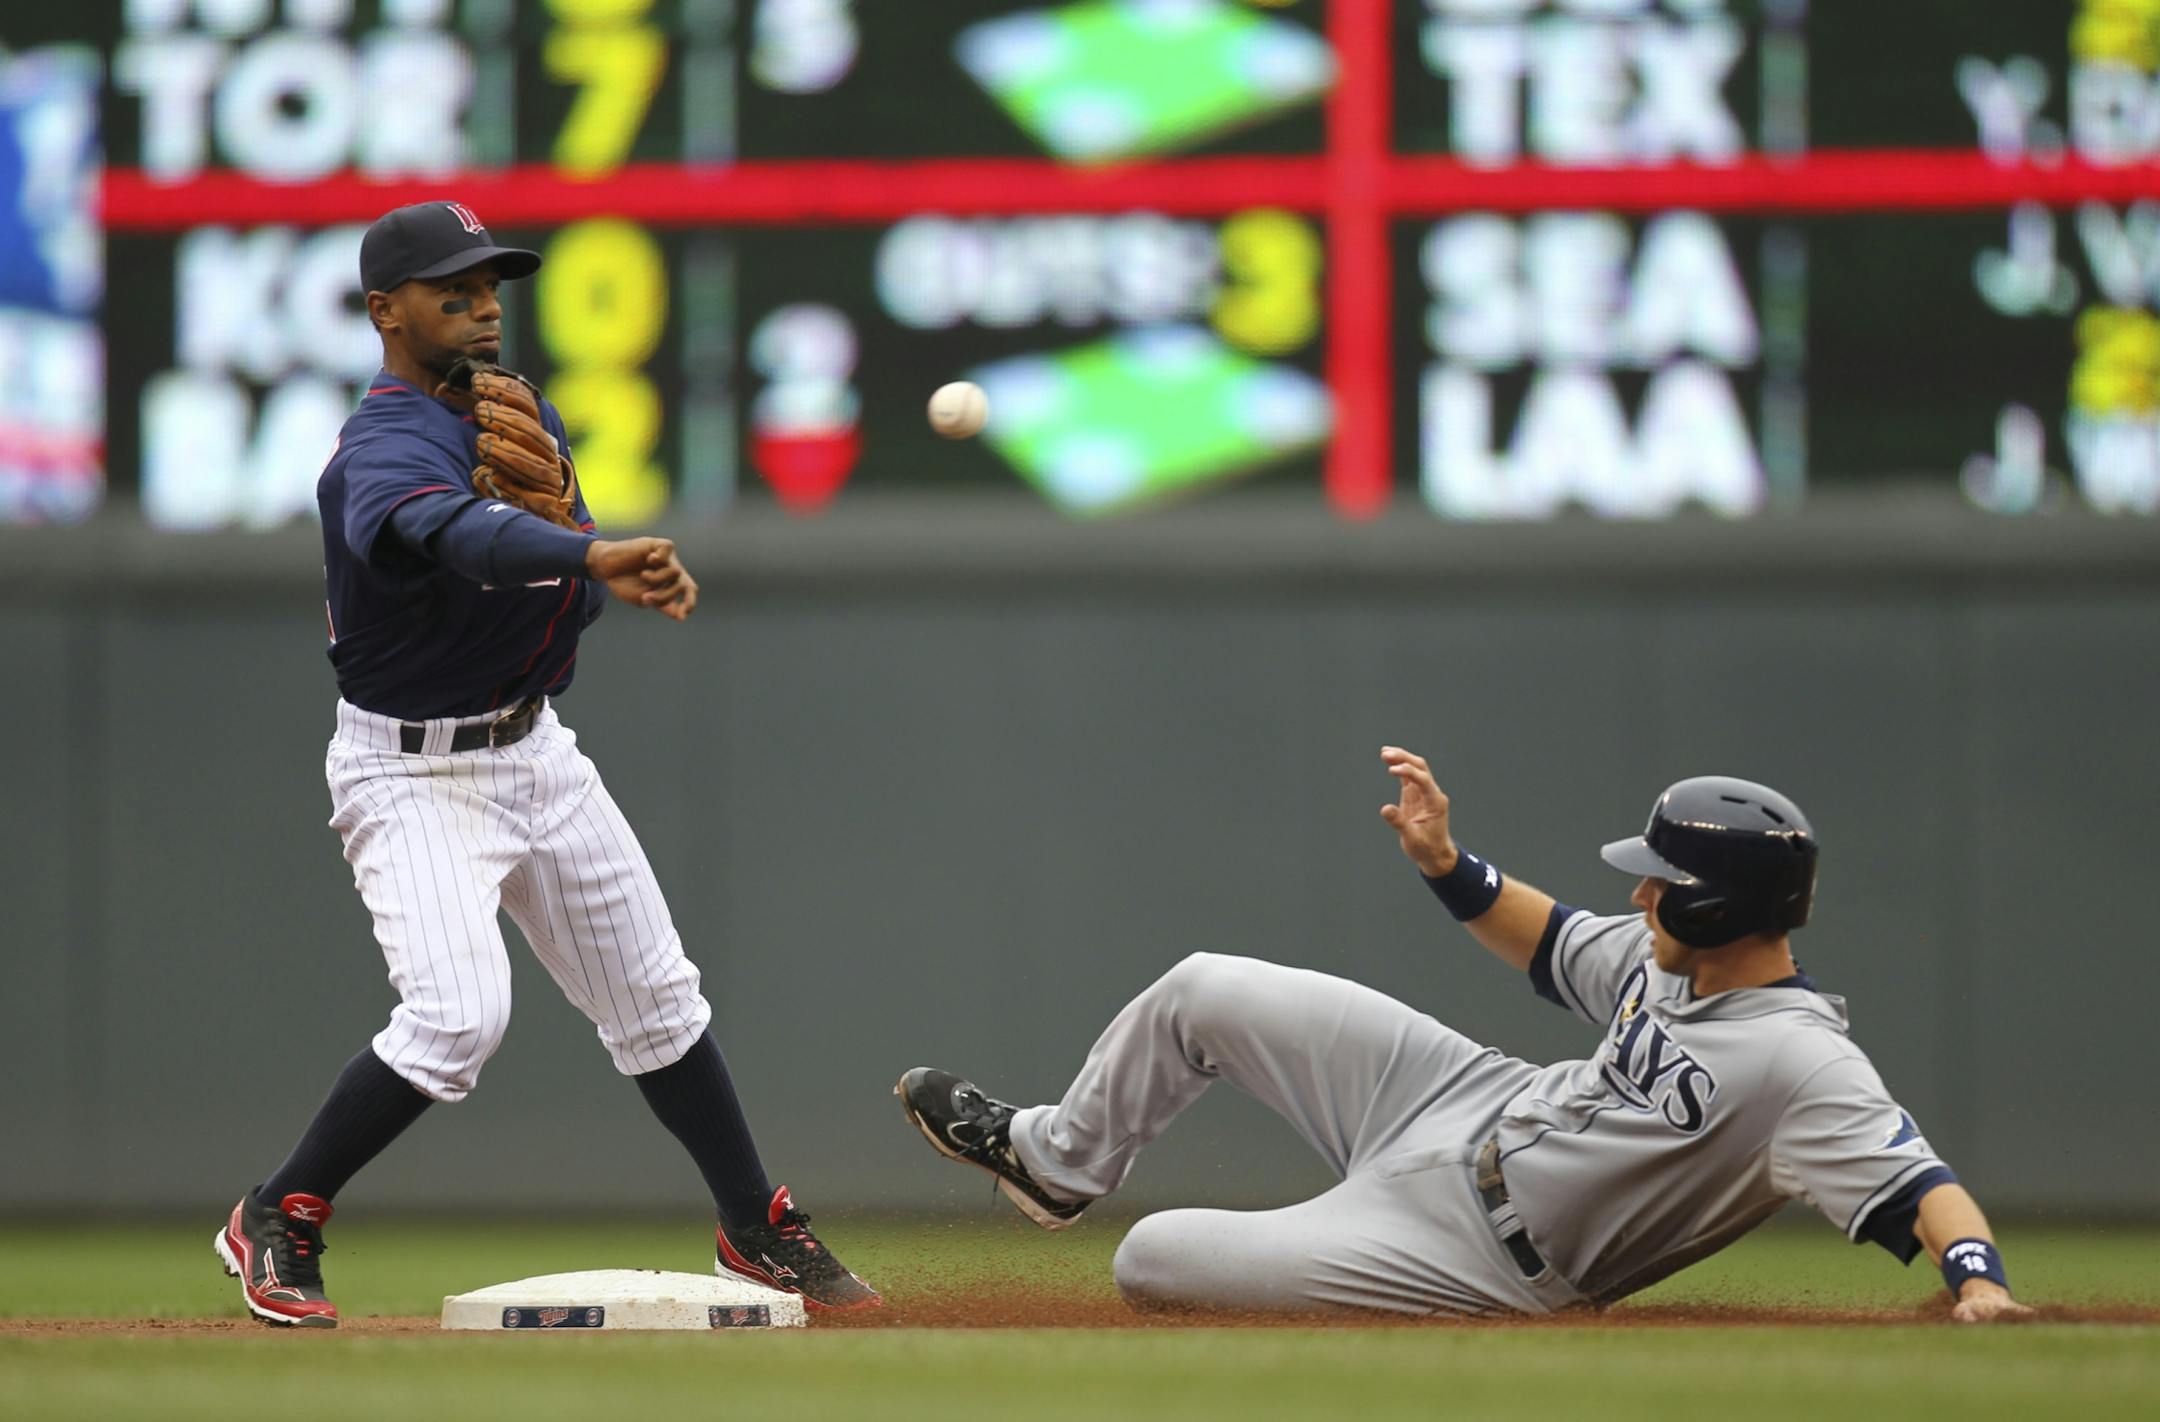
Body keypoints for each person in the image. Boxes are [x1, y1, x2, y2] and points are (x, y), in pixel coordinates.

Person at [214, 201, 877, 1327]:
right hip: (411, 775)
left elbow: (545, 587)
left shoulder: (516, 412)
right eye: (450, 292)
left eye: (489, 289)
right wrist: (590, 549)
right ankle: (278, 1212)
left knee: (658, 1002)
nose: (481, 309)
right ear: (386, 311)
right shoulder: (382, 445)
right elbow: (449, 533)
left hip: (534, 750)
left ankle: (755, 1230)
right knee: (458, 1019)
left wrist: (595, 570)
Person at [897, 745, 2034, 1322]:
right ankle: (1053, 1161)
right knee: (1207, 987)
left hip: (1477, 1254)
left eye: (1660, 883)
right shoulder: (1665, 964)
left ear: (1718, 907)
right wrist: (1447, 862)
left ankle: (1109, 1196)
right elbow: (1544, 940)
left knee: (1153, 1261)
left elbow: (1915, 1177)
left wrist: (1975, 1279)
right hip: (1458, 1098)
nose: (1641, 899)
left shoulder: (1799, 1062)